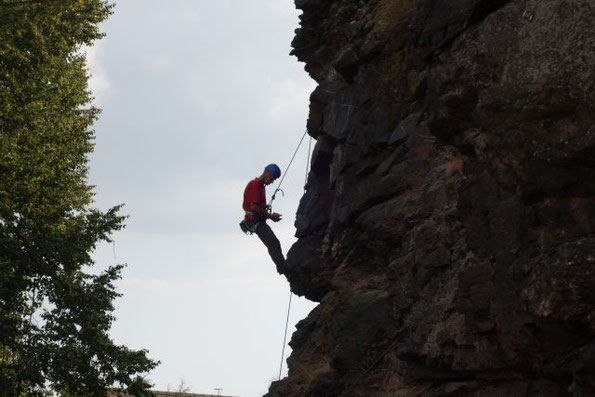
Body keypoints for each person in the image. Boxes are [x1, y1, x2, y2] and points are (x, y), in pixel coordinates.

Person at [241, 164, 286, 274]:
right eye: (272, 178)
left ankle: (284, 268)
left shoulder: (260, 186)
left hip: (255, 220)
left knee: (274, 243)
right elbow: (253, 207)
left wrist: (266, 211)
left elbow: (256, 206)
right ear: (266, 173)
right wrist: (270, 216)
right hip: (254, 221)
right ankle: (284, 269)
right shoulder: (255, 184)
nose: (272, 182)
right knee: (273, 243)